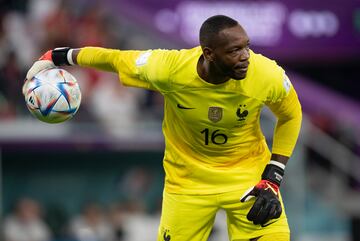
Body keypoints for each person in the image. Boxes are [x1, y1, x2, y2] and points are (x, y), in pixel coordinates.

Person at [25, 15, 302, 241]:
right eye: (234, 51)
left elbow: (291, 115)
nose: (245, 57)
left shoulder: (266, 74)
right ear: (209, 54)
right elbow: (114, 59)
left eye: (246, 47)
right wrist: (57, 56)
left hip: (249, 179)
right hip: (188, 183)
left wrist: (274, 176)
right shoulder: (169, 69)